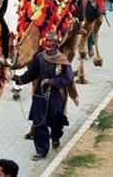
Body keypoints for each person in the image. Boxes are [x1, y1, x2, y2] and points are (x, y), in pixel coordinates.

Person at [13, 32, 78, 160]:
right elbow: (32, 73)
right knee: (39, 122)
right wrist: (19, 79)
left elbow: (68, 78)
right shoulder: (39, 57)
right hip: (40, 95)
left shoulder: (62, 61)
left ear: (56, 43)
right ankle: (42, 151)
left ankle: (55, 137)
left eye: (51, 41)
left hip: (56, 97)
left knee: (55, 122)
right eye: (47, 41)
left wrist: (53, 82)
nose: (48, 43)